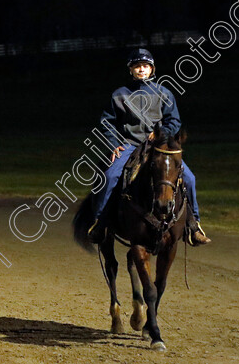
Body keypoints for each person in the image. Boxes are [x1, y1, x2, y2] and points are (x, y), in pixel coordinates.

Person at [88, 48, 211, 245]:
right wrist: (113, 145)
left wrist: (161, 134)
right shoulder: (119, 94)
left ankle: (193, 225)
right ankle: (100, 223)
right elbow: (107, 123)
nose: (141, 70)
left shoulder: (164, 93)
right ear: (130, 70)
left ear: (152, 69)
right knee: (110, 176)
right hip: (129, 145)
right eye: (137, 67)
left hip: (158, 146)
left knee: (189, 178)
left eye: (145, 66)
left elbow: (174, 121)